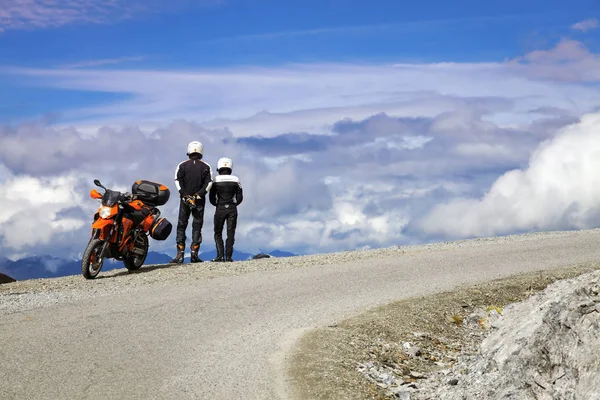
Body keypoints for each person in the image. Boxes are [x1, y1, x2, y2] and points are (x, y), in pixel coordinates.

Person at [170, 141, 213, 264]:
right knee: (197, 225)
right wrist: (198, 195)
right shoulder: (206, 167)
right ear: (201, 152)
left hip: (185, 200)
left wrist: (185, 195)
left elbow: (177, 181)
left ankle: (180, 255)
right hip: (199, 201)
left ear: (189, 151)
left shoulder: (182, 165)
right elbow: (209, 183)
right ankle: (194, 255)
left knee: (181, 225)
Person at [209, 157, 243, 262]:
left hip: (220, 208)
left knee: (218, 232)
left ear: (219, 167)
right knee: (230, 232)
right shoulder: (236, 179)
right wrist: (234, 204)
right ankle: (228, 257)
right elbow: (240, 197)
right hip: (232, 208)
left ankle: (219, 256)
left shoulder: (215, 180)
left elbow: (211, 197)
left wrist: (218, 204)